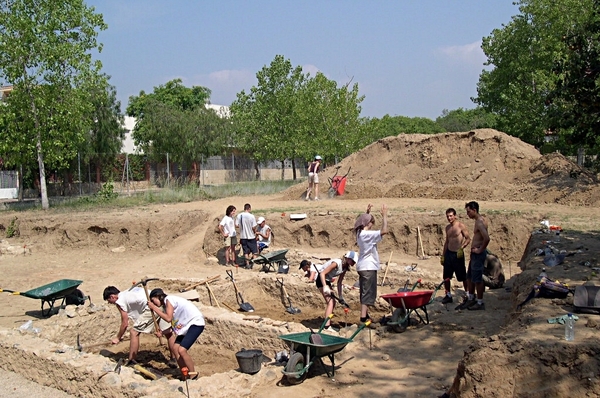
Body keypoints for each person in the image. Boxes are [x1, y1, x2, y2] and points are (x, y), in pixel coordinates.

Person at [103, 286, 177, 367]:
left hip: (150, 306)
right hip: (160, 301)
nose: (110, 303)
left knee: (134, 332)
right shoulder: (127, 291)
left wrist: (118, 338)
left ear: (112, 296)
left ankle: (132, 361)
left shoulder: (119, 301)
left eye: (109, 301)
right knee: (168, 333)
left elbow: (125, 323)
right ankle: (174, 359)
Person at [147, 288, 205, 380]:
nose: (154, 304)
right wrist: (162, 333)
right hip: (186, 326)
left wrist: (154, 309)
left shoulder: (169, 300)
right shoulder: (168, 306)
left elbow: (168, 319)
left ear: (158, 296)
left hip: (195, 323)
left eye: (153, 301)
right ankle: (184, 374)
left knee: (182, 350)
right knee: (175, 348)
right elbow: (173, 328)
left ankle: (193, 374)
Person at [354, 203, 388, 324]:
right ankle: (363, 318)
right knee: (368, 292)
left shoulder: (359, 233)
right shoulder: (366, 235)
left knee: (364, 291)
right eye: (371, 223)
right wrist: (384, 216)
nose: (372, 225)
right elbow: (384, 231)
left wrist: (367, 213)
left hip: (362, 266)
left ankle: (365, 315)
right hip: (368, 267)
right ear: (368, 224)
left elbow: (364, 223)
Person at [456, 201, 490, 311]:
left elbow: (486, 238)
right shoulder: (480, 220)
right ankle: (471, 298)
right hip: (475, 255)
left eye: (468, 211)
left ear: (474, 210)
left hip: (478, 255)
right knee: (469, 276)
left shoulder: (480, 222)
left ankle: (480, 303)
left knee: (477, 279)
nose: (467, 214)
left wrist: (480, 250)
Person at [317, 251, 358, 330]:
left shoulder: (345, 268)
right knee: (330, 302)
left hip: (327, 281)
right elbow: (322, 273)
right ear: (347, 258)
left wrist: (341, 297)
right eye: (352, 261)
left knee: (333, 302)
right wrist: (325, 287)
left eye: (354, 262)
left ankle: (328, 323)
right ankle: (326, 326)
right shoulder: (336, 263)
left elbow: (339, 282)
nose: (353, 263)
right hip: (321, 279)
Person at [440, 208, 471, 304]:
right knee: (446, 276)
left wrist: (462, 248)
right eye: (447, 216)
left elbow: (468, 238)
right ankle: (448, 295)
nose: (449, 218)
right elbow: (447, 242)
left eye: (451, 216)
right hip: (449, 253)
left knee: (462, 276)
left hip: (458, 254)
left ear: (455, 216)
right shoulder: (447, 228)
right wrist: (443, 255)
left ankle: (468, 294)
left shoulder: (460, 226)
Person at [235, 203, 258, 269]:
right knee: (254, 251)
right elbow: (253, 227)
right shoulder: (251, 216)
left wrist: (242, 227)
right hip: (251, 236)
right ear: (249, 208)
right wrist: (255, 232)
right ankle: (253, 264)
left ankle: (247, 264)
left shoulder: (239, 216)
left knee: (246, 252)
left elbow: (236, 225)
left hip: (243, 237)